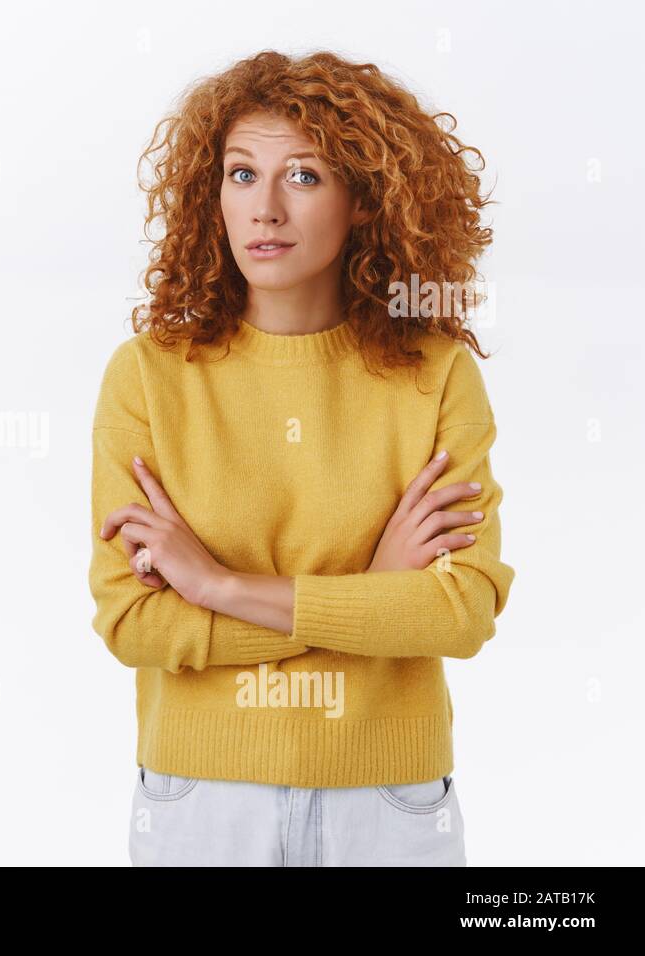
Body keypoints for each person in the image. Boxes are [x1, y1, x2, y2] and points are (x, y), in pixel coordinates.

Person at [87, 50, 516, 866]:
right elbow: (135, 622)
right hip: (202, 796)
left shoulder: (436, 375)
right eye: (242, 175)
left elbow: (461, 613)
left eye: (306, 178)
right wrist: (373, 598)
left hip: (387, 802)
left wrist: (219, 587)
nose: (266, 210)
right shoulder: (148, 375)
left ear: (365, 200)